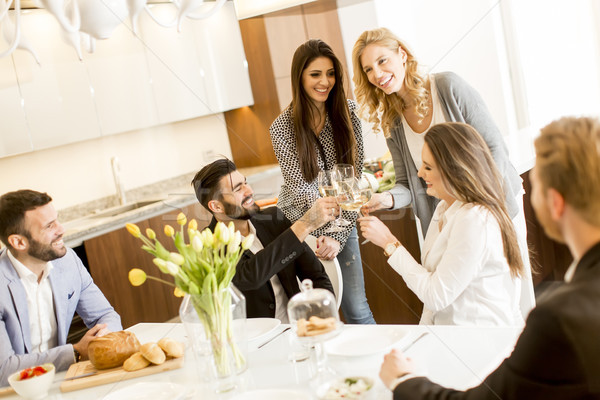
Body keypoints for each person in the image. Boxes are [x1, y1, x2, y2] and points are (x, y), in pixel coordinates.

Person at [379, 116, 600, 399]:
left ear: (554, 203)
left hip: (475, 349)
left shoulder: (556, 320)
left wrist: (402, 381)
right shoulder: (447, 210)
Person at [352, 27, 535, 318]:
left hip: (494, 203)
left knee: (509, 295)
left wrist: (482, 208)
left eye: (382, 61)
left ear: (402, 54)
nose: (377, 74)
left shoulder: (448, 87)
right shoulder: (393, 121)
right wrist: (386, 200)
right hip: (448, 216)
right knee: (458, 302)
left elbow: (495, 149)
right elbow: (407, 183)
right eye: (368, 69)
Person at [359, 122, 524, 326]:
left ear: (453, 170)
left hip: (478, 339)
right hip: (448, 333)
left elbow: (436, 296)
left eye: (428, 167)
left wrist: (389, 243)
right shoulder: (444, 208)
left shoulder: (474, 220)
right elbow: (432, 295)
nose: (419, 174)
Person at [270, 39, 375, 324]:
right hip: (300, 227)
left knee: (357, 308)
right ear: (300, 77)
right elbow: (301, 191)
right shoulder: (282, 128)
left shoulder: (349, 113)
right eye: (315, 74)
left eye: (330, 73)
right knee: (312, 313)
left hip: (342, 222)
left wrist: (338, 236)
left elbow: (354, 182)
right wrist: (318, 235)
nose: (325, 82)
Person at [0, 190, 122, 385]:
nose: (61, 229)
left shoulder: (68, 262)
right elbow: (4, 369)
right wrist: (75, 352)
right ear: (19, 242)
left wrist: (104, 337)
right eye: (49, 226)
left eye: (57, 220)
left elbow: (106, 316)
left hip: (62, 381)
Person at [192, 159, 335, 321]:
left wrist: (323, 318)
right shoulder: (208, 243)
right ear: (216, 207)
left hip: (297, 327)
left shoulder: (273, 219)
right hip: (253, 340)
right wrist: (305, 224)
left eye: (245, 183)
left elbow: (316, 276)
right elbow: (249, 276)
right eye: (238, 189)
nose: (249, 190)